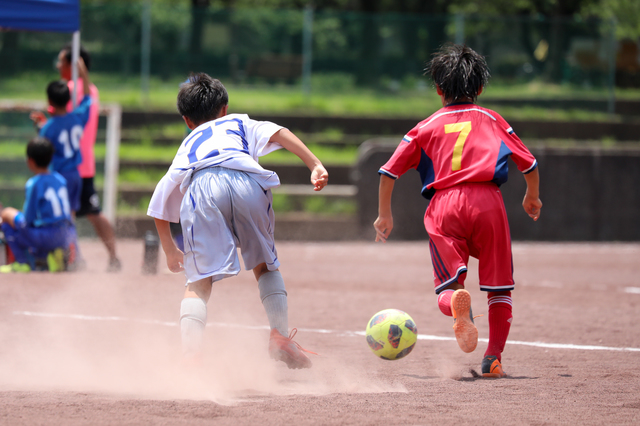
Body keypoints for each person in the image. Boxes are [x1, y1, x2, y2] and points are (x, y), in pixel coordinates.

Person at [373, 44, 542, 378]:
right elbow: (530, 163)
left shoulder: (424, 126)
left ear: (438, 90)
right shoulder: (492, 119)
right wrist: (532, 196)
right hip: (488, 202)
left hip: (444, 205)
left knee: (448, 287)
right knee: (499, 287)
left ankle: (455, 305)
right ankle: (492, 359)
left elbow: (388, 172)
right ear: (479, 89)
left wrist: (384, 216)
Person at [147, 73, 328, 369]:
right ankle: (280, 336)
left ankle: (191, 355)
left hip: (202, 187)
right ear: (224, 109)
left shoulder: (189, 144)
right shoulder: (238, 122)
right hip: (246, 182)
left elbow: (160, 198)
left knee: (198, 281)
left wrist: (168, 248)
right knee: (265, 264)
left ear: (186, 121)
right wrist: (315, 164)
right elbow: (279, 132)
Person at [55, 44, 121, 272]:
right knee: (91, 213)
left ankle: (72, 258)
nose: (57, 65)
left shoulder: (73, 90)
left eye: (61, 61)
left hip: (72, 165)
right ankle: (108, 256)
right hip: (83, 164)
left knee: (74, 214)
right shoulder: (90, 90)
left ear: (73, 64)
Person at [0, 137, 76, 273]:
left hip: (46, 238)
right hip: (66, 236)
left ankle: (23, 263)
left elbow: (28, 219)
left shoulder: (34, 183)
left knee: (6, 217)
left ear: (30, 161)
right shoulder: (60, 179)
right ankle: (51, 257)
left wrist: (8, 215)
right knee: (41, 225)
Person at [30, 58, 92, 217]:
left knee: (55, 214)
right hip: (75, 175)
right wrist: (83, 73)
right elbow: (87, 98)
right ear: (68, 99)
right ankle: (70, 241)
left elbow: (45, 147)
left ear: (49, 100)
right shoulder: (78, 118)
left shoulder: (49, 128)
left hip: (57, 174)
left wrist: (40, 127)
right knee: (70, 214)